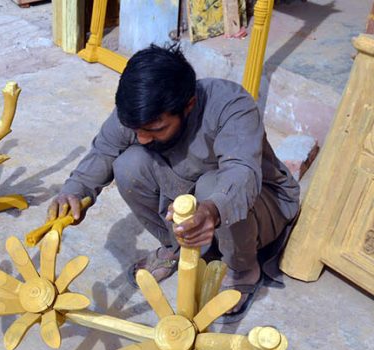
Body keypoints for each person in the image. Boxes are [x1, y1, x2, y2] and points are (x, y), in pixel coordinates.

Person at [47, 44, 300, 322]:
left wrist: (211, 210)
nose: (142, 138)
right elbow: (105, 150)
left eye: (156, 130)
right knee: (128, 166)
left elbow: (241, 175)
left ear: (188, 105)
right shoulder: (138, 114)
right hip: (191, 195)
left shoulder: (231, 105)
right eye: (136, 130)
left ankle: (242, 269)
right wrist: (75, 190)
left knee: (211, 187)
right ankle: (175, 247)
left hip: (260, 201)